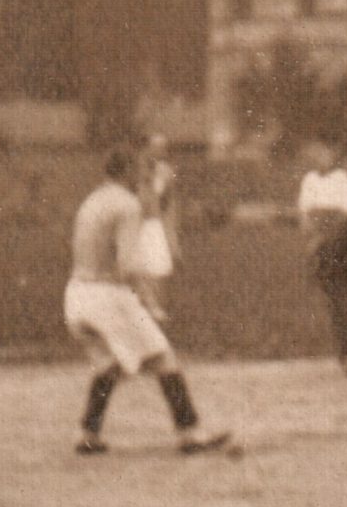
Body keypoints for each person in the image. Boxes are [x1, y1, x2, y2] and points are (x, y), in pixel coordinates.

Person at [65, 148, 231, 456]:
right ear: (126, 170)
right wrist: (149, 299)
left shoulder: (93, 200)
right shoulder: (128, 205)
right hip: (107, 296)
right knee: (164, 359)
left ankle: (87, 434)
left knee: (111, 365)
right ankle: (191, 433)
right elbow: (128, 265)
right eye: (141, 170)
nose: (145, 177)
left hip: (76, 295)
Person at [297, 143, 347, 375]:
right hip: (327, 248)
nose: (320, 157)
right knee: (339, 302)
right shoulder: (310, 181)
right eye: (317, 153)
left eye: (325, 152)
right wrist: (314, 237)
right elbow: (305, 215)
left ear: (335, 154)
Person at [129, 133, 180, 322]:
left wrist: (170, 227)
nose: (159, 151)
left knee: (159, 265)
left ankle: (155, 304)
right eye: (155, 147)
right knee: (142, 265)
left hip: (157, 222)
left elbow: (168, 200)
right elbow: (140, 195)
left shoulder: (166, 171)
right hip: (141, 221)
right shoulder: (140, 171)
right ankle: (144, 304)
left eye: (163, 147)